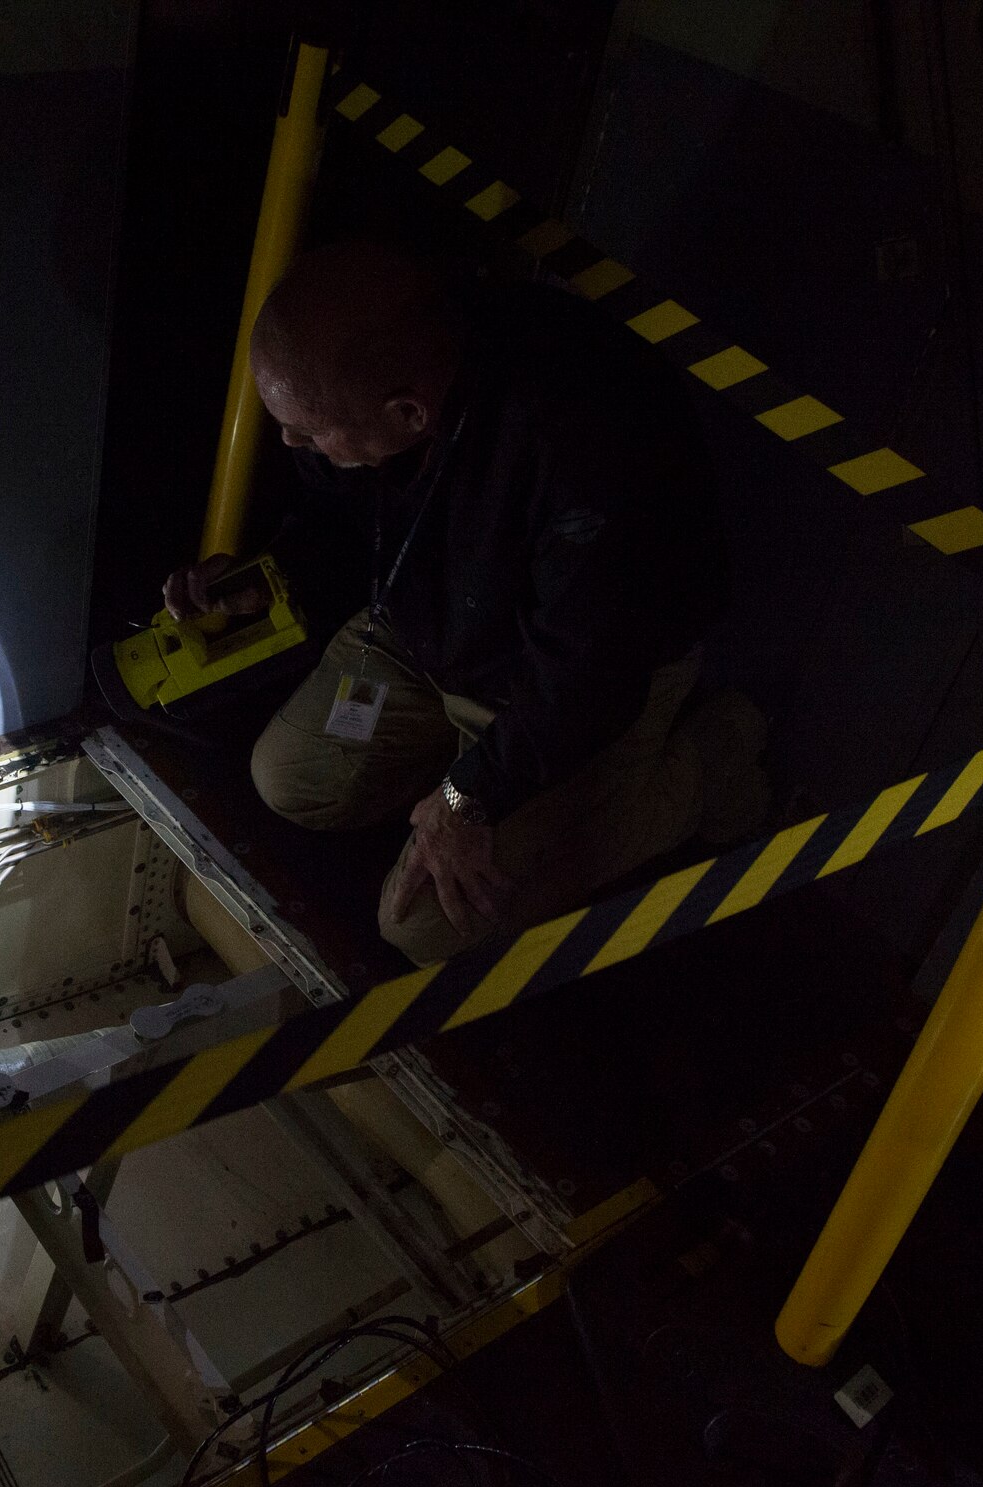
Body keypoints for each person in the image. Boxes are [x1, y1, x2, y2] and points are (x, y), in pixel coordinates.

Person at [163, 241, 765, 967]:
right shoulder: (392, 370)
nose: (290, 440)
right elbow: (344, 512)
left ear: (409, 413)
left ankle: (704, 768)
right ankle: (470, 782)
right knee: (290, 781)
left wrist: (469, 796)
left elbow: (586, 671)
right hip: (432, 624)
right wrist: (274, 571)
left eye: (308, 428)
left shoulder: (586, 442)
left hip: (562, 680)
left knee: (423, 926)